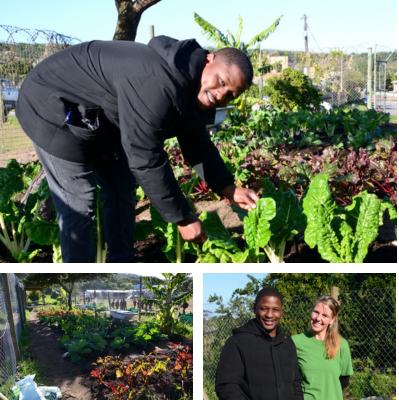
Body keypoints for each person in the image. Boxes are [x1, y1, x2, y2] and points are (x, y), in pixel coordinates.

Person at [16, 36, 260, 262]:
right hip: (51, 106)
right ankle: (80, 278)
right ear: (210, 59)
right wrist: (182, 218)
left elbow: (196, 142)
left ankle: (121, 261)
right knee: (79, 202)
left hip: (99, 119)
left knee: (122, 185)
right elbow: (146, 157)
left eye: (230, 95)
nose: (220, 95)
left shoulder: (190, 85)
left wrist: (228, 188)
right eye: (222, 82)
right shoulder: (158, 81)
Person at [215, 287, 303, 400]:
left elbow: (295, 383)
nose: (270, 315)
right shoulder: (237, 342)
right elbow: (227, 386)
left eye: (275, 309)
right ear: (254, 308)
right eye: (264, 308)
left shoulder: (288, 344)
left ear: (281, 311)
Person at [292, 296, 353, 400]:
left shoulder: (341, 344)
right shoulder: (296, 342)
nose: (318, 318)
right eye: (316, 312)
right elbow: (290, 379)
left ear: (332, 320)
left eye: (325, 315)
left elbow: (344, 380)